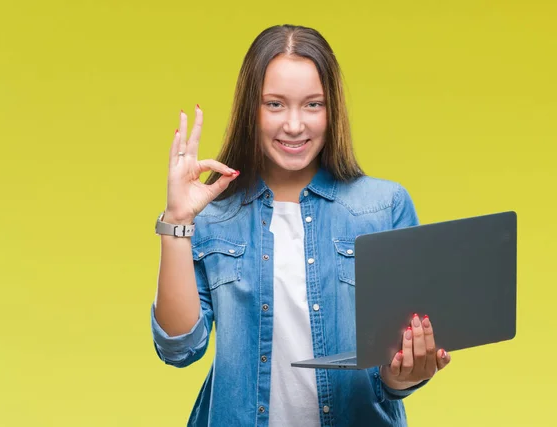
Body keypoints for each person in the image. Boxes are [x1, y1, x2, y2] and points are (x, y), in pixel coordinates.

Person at [151, 24, 452, 427]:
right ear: (250, 110)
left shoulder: (384, 207)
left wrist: (404, 375)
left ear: (333, 110)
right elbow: (179, 348)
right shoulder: (213, 215)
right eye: (275, 104)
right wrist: (178, 222)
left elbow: (395, 369)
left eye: (313, 105)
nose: (294, 125)